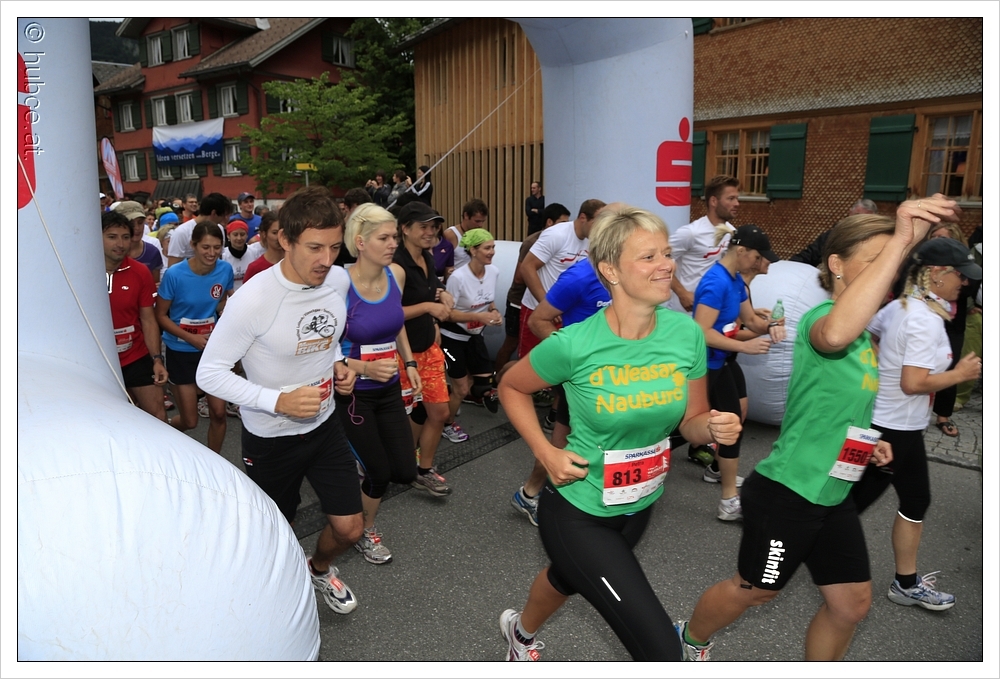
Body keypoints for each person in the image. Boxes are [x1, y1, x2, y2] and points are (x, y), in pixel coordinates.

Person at [678, 196, 960, 662]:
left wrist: (868, 442)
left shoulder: (864, 337)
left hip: (832, 494)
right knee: (755, 590)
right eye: (875, 261)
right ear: (837, 265)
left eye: (889, 263)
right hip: (788, 493)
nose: (886, 273)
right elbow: (834, 335)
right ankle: (688, 640)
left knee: (851, 605)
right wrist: (900, 238)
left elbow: (837, 405)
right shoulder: (820, 321)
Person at [497, 205, 741, 661]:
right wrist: (546, 452)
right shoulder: (575, 343)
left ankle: (520, 632)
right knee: (661, 652)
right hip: (578, 511)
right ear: (610, 270)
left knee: (567, 578)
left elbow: (691, 421)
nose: (666, 265)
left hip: (640, 501)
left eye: (666, 253)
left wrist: (710, 426)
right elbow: (511, 385)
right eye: (648, 257)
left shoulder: (686, 335)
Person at [196, 185, 362, 616]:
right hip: (271, 438)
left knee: (349, 528)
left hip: (324, 427)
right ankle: (275, 598)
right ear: (284, 240)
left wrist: (339, 365)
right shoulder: (254, 299)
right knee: (275, 529)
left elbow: (326, 336)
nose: (326, 259)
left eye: (334, 247)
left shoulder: (336, 280)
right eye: (314, 247)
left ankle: (318, 568)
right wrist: (277, 401)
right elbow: (209, 373)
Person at [851, 237, 981, 611]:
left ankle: (905, 584)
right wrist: (960, 374)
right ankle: (786, 548)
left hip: (899, 425)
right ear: (936, 273)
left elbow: (867, 331)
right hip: (891, 430)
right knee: (847, 507)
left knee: (915, 499)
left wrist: (881, 369)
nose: (965, 283)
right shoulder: (923, 319)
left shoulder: (901, 306)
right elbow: (913, 383)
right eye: (960, 275)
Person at [337, 203, 424, 565]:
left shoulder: (396, 274)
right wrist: (363, 368)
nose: (393, 244)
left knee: (405, 471)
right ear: (360, 242)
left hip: (388, 387)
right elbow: (322, 348)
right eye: (384, 238)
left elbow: (396, 321)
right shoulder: (338, 283)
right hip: (352, 393)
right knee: (379, 473)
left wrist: (409, 362)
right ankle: (364, 531)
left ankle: (360, 464)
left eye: (394, 237)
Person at [511, 247, 613, 527]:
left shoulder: (630, 272)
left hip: (615, 377)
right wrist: (577, 361)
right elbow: (537, 320)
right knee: (563, 443)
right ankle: (531, 494)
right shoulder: (580, 276)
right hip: (581, 378)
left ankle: (590, 498)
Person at [692, 224, 785, 521]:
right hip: (704, 366)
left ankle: (726, 491)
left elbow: (750, 321)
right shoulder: (715, 282)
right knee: (682, 428)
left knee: (734, 422)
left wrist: (771, 326)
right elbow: (701, 332)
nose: (759, 263)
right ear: (741, 250)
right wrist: (744, 347)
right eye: (757, 257)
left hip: (722, 362)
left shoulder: (734, 281)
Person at [390, 201, 457, 494]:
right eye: (424, 227)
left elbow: (429, 290)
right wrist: (430, 307)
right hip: (402, 352)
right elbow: (390, 313)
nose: (431, 232)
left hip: (428, 347)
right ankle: (403, 464)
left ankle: (422, 469)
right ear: (405, 229)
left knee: (439, 413)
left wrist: (441, 294)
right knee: (405, 416)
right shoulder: (396, 265)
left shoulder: (426, 257)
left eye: (434, 227)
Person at [155, 220, 234, 453]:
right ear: (193, 245)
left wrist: (224, 317)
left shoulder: (225, 270)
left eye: (217, 247)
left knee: (218, 413)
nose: (212, 253)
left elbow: (221, 302)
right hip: (181, 350)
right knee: (190, 421)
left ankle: (215, 463)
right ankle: (163, 432)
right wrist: (191, 338)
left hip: (211, 349)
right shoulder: (175, 274)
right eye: (205, 247)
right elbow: (160, 315)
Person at [102, 211, 168, 420]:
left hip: (134, 355)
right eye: (112, 237)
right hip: (99, 360)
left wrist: (157, 359)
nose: (120, 244)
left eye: (125, 237)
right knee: (110, 418)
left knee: (157, 415)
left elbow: (148, 319)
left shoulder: (140, 272)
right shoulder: (81, 272)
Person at [519, 199, 605, 358]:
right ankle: (502, 374)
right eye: (597, 223)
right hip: (537, 308)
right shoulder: (556, 234)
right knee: (529, 362)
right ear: (583, 218)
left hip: (565, 312)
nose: (601, 228)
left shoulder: (593, 241)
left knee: (556, 362)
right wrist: (545, 302)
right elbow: (527, 267)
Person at [494, 203, 571, 374]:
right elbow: (520, 277)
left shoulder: (563, 243)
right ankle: (498, 380)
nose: (566, 228)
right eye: (563, 223)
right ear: (549, 222)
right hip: (519, 302)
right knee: (512, 344)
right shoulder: (533, 242)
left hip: (542, 304)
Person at [441, 228, 503, 423]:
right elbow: (447, 314)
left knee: (483, 385)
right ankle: (447, 423)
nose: (492, 252)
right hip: (452, 338)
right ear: (473, 251)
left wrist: (494, 311)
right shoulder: (458, 277)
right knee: (462, 389)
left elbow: (488, 299)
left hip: (475, 336)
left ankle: (449, 400)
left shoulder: (494, 271)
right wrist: (478, 316)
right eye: (487, 248)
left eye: (493, 247)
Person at [923, 223, 976, 437]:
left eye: (943, 237)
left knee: (949, 364)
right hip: (927, 317)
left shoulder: (963, 265)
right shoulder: (921, 263)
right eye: (934, 236)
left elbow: (971, 287)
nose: (937, 241)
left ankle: (943, 415)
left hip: (952, 323)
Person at [666, 175, 739, 314]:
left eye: (737, 198)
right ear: (713, 201)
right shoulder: (691, 232)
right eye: (731, 198)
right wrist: (682, 293)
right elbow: (659, 262)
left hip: (714, 313)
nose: (737, 203)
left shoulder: (732, 233)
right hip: (685, 314)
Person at [790, 199, 879, 266]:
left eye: (865, 219)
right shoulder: (832, 236)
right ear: (850, 213)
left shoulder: (878, 241)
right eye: (857, 216)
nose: (859, 221)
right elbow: (808, 255)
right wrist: (790, 266)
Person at [167, 193, 233, 267]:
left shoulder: (219, 228)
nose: (225, 219)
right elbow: (173, 266)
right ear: (213, 213)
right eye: (223, 216)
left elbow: (219, 258)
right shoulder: (182, 232)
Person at [114, 200, 162, 284]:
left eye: (140, 222)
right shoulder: (108, 253)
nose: (137, 228)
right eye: (131, 223)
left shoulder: (152, 252)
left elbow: (153, 286)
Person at [445, 198, 489, 270]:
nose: (480, 225)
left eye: (482, 221)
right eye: (477, 221)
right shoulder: (451, 235)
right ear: (466, 216)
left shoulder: (480, 235)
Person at [221, 220, 264, 292]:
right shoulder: (223, 255)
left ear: (247, 235)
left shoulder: (255, 253)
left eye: (242, 234)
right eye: (235, 235)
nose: (239, 238)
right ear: (228, 236)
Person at [243, 211, 283, 284]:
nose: (279, 237)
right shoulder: (255, 268)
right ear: (264, 234)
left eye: (283, 232)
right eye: (274, 233)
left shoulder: (294, 263)